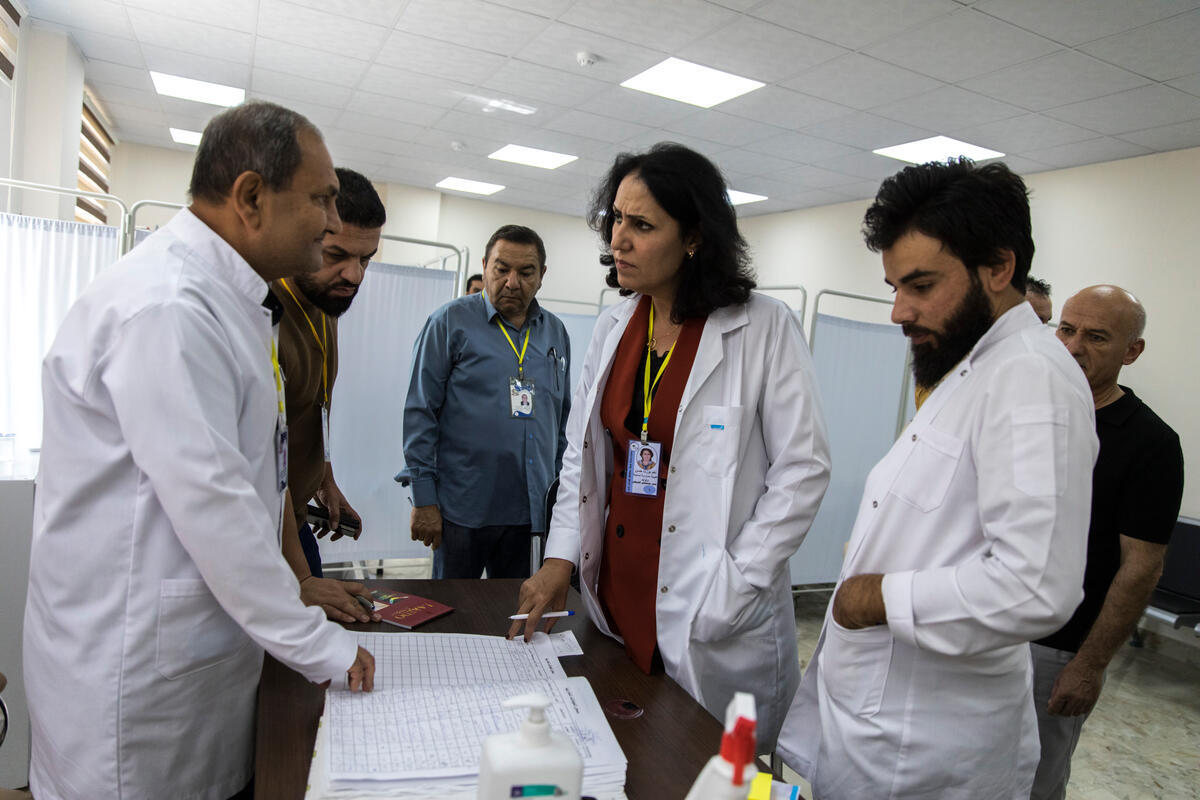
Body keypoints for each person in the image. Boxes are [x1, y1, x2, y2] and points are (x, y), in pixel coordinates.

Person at [22, 101, 374, 800]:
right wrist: (319, 645)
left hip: (194, 657)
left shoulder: (233, 300)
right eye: (322, 200)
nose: (332, 222)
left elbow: (257, 472)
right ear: (251, 197)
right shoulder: (170, 307)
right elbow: (214, 506)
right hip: (134, 677)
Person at [777, 159, 1097, 799]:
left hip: (926, 753)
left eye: (921, 285)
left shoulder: (1031, 378)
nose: (899, 311)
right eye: (895, 286)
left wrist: (876, 596)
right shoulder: (972, 367)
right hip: (886, 727)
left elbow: (1036, 586)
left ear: (998, 268)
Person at [509, 142, 832, 748]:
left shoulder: (763, 328)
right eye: (615, 219)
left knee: (707, 768)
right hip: (619, 590)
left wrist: (736, 585)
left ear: (694, 238)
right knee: (630, 752)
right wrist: (559, 559)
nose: (618, 240)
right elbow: (582, 456)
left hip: (712, 602)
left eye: (642, 225)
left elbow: (803, 470)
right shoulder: (614, 325)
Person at [1030, 285, 1184, 800]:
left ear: (1131, 351)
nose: (1074, 347)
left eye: (1096, 337)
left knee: (1032, 781)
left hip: (1055, 649)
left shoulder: (1150, 443)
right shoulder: (1031, 413)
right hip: (984, 630)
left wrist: (1089, 665)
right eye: (1066, 329)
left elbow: (1141, 566)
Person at [400, 225, 571, 579]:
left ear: (542, 275)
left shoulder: (555, 332)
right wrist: (424, 497)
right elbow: (420, 412)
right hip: (463, 508)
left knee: (517, 608)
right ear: (484, 265)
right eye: (501, 269)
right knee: (454, 608)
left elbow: (562, 419)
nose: (512, 282)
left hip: (531, 511)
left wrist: (559, 496)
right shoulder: (449, 323)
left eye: (526, 272)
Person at [273, 167, 385, 623]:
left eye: (366, 259)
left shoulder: (325, 301)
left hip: (294, 518)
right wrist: (300, 580)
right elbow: (260, 465)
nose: (354, 275)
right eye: (336, 254)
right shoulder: (262, 318)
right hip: (263, 534)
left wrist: (323, 476)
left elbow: (310, 407)